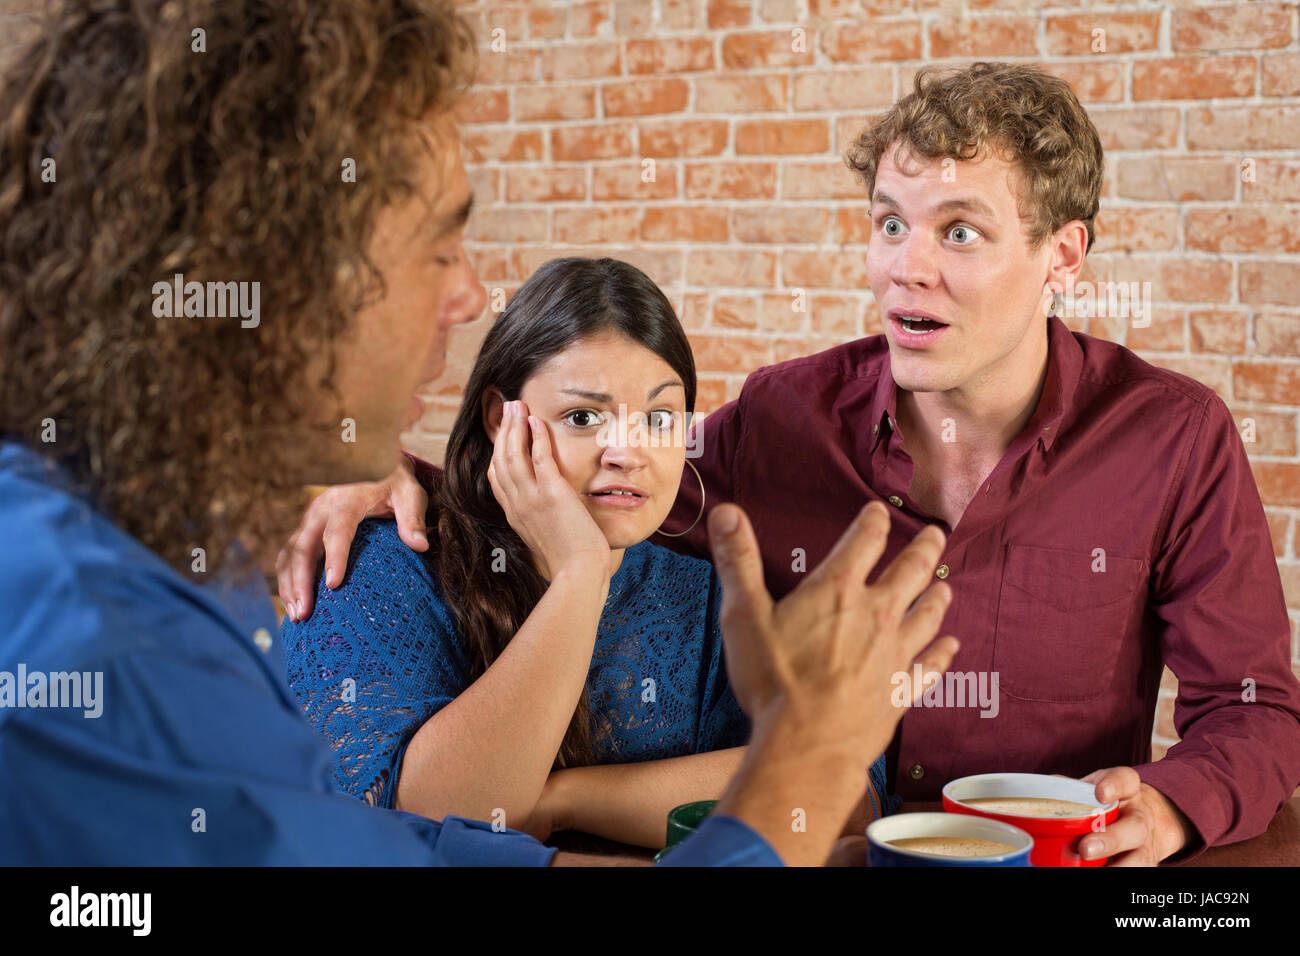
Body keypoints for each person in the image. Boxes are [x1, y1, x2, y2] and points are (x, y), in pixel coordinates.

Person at [0, 0, 957, 867]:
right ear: (276, 278)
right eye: (437, 247)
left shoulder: (119, 561)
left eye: (661, 415)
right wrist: (805, 756)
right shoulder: (104, 648)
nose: (466, 296)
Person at [283, 62, 1300, 865]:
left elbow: (1255, 710)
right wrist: (407, 474)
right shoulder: (783, 415)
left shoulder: (1172, 436)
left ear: (1062, 256)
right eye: (890, 222)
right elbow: (619, 482)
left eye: (959, 232)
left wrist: (1174, 800)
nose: (909, 262)